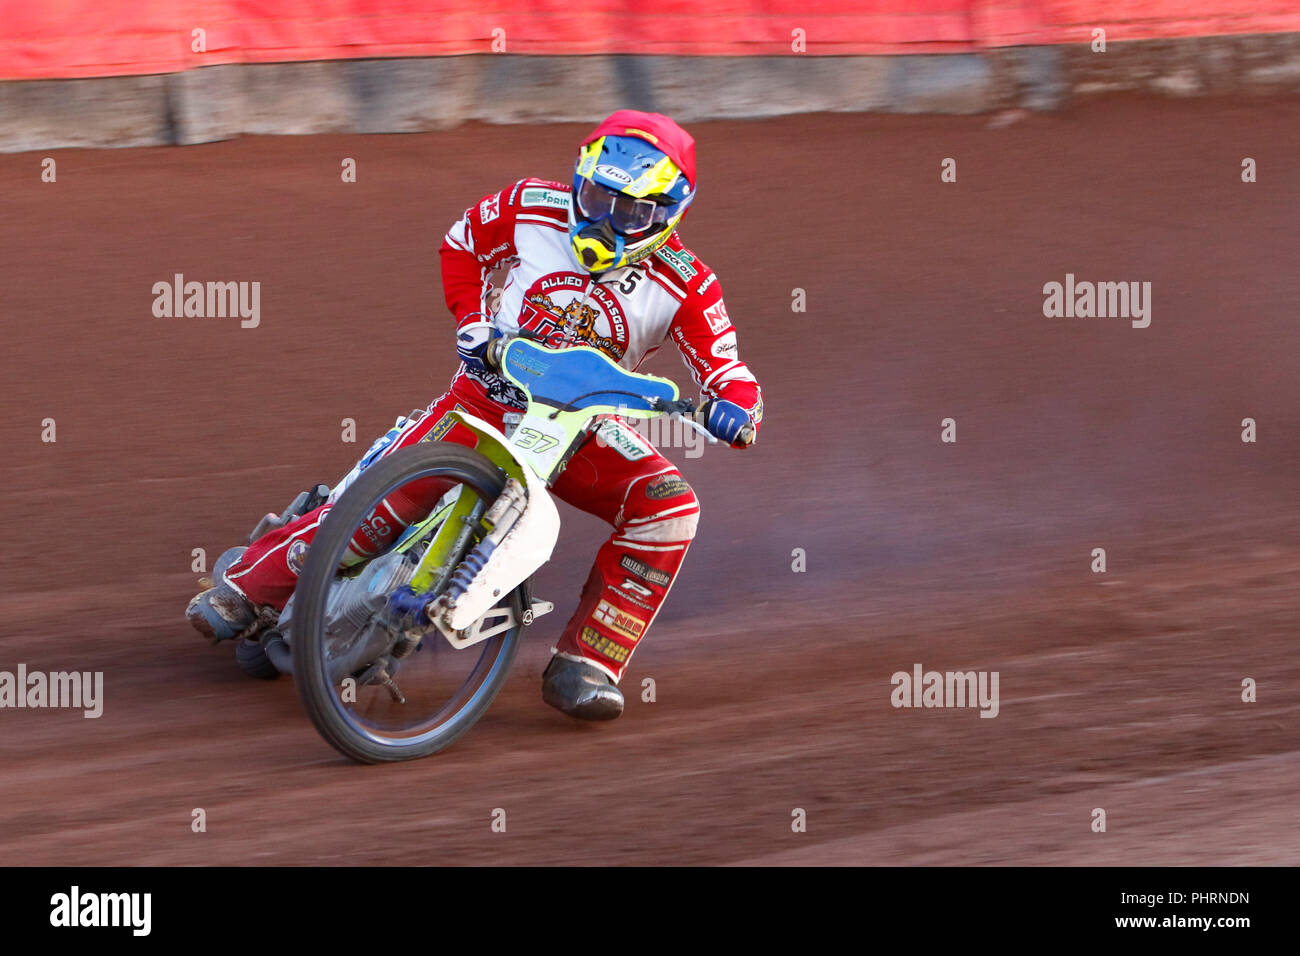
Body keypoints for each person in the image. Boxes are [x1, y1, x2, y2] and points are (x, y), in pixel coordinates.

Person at [187, 109, 764, 721]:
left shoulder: (688, 283)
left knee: (669, 508)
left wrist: (736, 409)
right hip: (483, 398)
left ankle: (588, 663)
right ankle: (246, 590)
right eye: (594, 195)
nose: (602, 218)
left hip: (579, 428)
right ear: (579, 177)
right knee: (384, 507)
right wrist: (473, 323)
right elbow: (461, 243)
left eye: (627, 210)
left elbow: (728, 368)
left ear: (668, 212)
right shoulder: (529, 204)